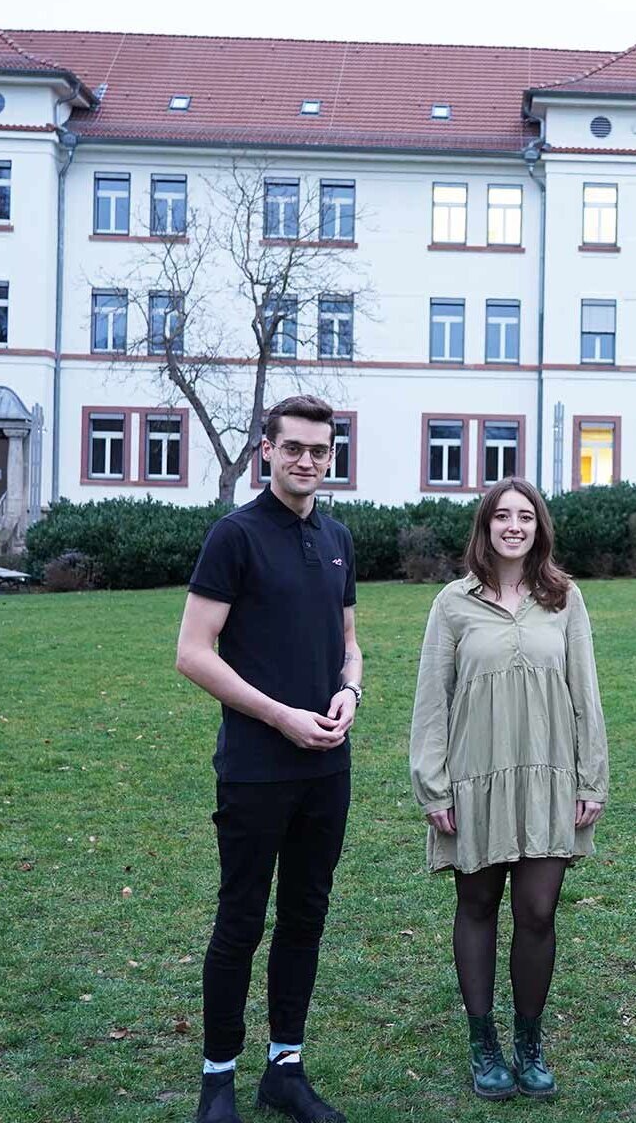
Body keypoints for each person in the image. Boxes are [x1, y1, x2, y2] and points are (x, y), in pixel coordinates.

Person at [176, 395, 362, 1123]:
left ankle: (285, 1068)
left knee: (306, 917)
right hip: (256, 765)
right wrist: (279, 715)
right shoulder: (235, 535)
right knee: (241, 921)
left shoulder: (340, 536)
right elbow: (192, 653)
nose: (308, 461)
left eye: (320, 450)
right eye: (295, 448)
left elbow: (349, 642)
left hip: (327, 766)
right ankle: (217, 1080)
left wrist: (350, 688)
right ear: (267, 450)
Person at [409, 477, 609, 1101]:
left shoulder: (564, 598)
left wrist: (591, 776)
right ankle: (482, 1042)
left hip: (551, 774)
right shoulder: (453, 602)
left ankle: (529, 1040)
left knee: (539, 911)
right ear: (486, 528)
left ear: (539, 527)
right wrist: (434, 788)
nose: (514, 526)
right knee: (476, 906)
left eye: (526, 516)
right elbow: (431, 702)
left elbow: (586, 691)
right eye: (503, 517)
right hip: (475, 777)